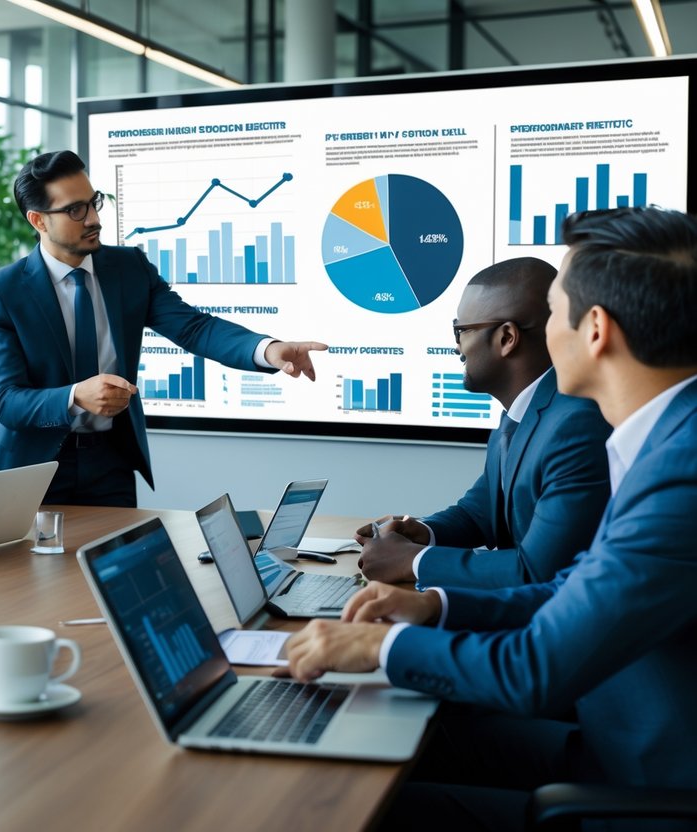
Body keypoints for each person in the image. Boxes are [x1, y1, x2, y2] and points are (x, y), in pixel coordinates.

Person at [279, 207, 697, 829]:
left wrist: (381, 645)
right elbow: (573, 588)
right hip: (616, 733)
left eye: (554, 311)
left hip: (638, 783)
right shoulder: (665, 439)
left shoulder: (680, 471)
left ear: (596, 330)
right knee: (377, 741)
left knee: (332, 810)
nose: (544, 332)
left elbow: (536, 667)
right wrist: (435, 606)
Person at [0, 150, 327, 507]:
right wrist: (75, 396)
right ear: (38, 220)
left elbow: (193, 327)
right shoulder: (4, 291)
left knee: (114, 561)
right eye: (75, 210)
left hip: (111, 461)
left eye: (93, 203)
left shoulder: (128, 267)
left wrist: (267, 350)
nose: (94, 218)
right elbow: (7, 401)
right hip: (33, 469)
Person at [354, 258, 611, 589]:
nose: (457, 346)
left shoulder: (576, 425)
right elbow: (480, 514)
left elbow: (538, 571)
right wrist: (422, 532)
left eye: (461, 331)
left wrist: (413, 561)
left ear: (507, 338)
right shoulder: (522, 412)